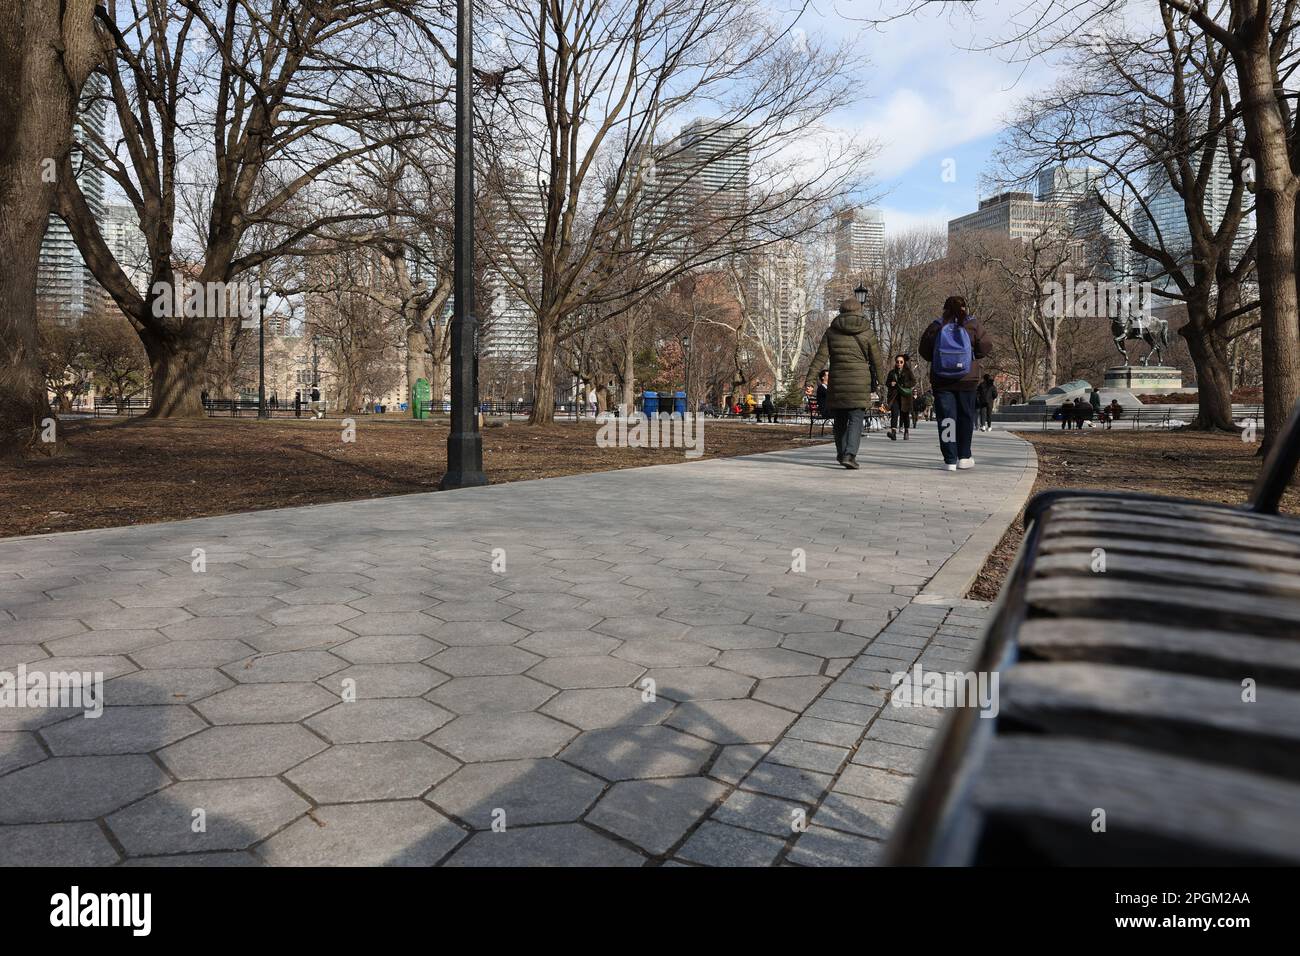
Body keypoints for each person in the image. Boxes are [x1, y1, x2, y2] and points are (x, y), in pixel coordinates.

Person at [803, 297, 885, 470]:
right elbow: (877, 361)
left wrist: (810, 379)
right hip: (860, 382)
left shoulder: (831, 332)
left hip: (838, 382)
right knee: (856, 419)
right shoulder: (868, 332)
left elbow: (820, 358)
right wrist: (882, 383)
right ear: (859, 312)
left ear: (841, 312)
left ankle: (841, 453)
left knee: (839, 420)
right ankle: (849, 454)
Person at [919, 295, 991, 471]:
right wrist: (972, 357)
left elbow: (924, 351)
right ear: (964, 308)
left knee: (946, 419)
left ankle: (950, 459)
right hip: (968, 379)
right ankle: (964, 457)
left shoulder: (936, 325)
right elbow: (986, 346)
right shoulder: (972, 325)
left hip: (942, 380)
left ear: (944, 308)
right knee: (966, 417)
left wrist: (939, 359)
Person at [885, 354, 915, 441]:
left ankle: (906, 431)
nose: (899, 363)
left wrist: (905, 385)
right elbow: (887, 383)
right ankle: (893, 433)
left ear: (904, 362)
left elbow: (913, 381)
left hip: (905, 396)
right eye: (897, 362)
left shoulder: (908, 372)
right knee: (894, 414)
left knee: (905, 414)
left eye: (901, 362)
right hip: (895, 396)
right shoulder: (892, 372)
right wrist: (890, 384)